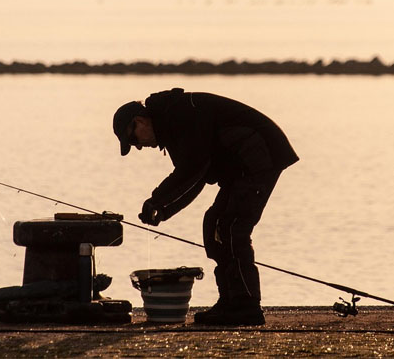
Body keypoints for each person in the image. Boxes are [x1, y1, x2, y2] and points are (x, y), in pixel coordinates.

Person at [113, 88, 298, 326]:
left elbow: (193, 169)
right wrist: (164, 209)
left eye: (133, 139)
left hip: (260, 155)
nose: (138, 146)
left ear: (139, 121)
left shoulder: (179, 115)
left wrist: (157, 200)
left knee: (231, 226)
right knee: (214, 222)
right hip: (240, 168)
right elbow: (196, 177)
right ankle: (230, 301)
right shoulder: (171, 124)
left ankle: (247, 306)